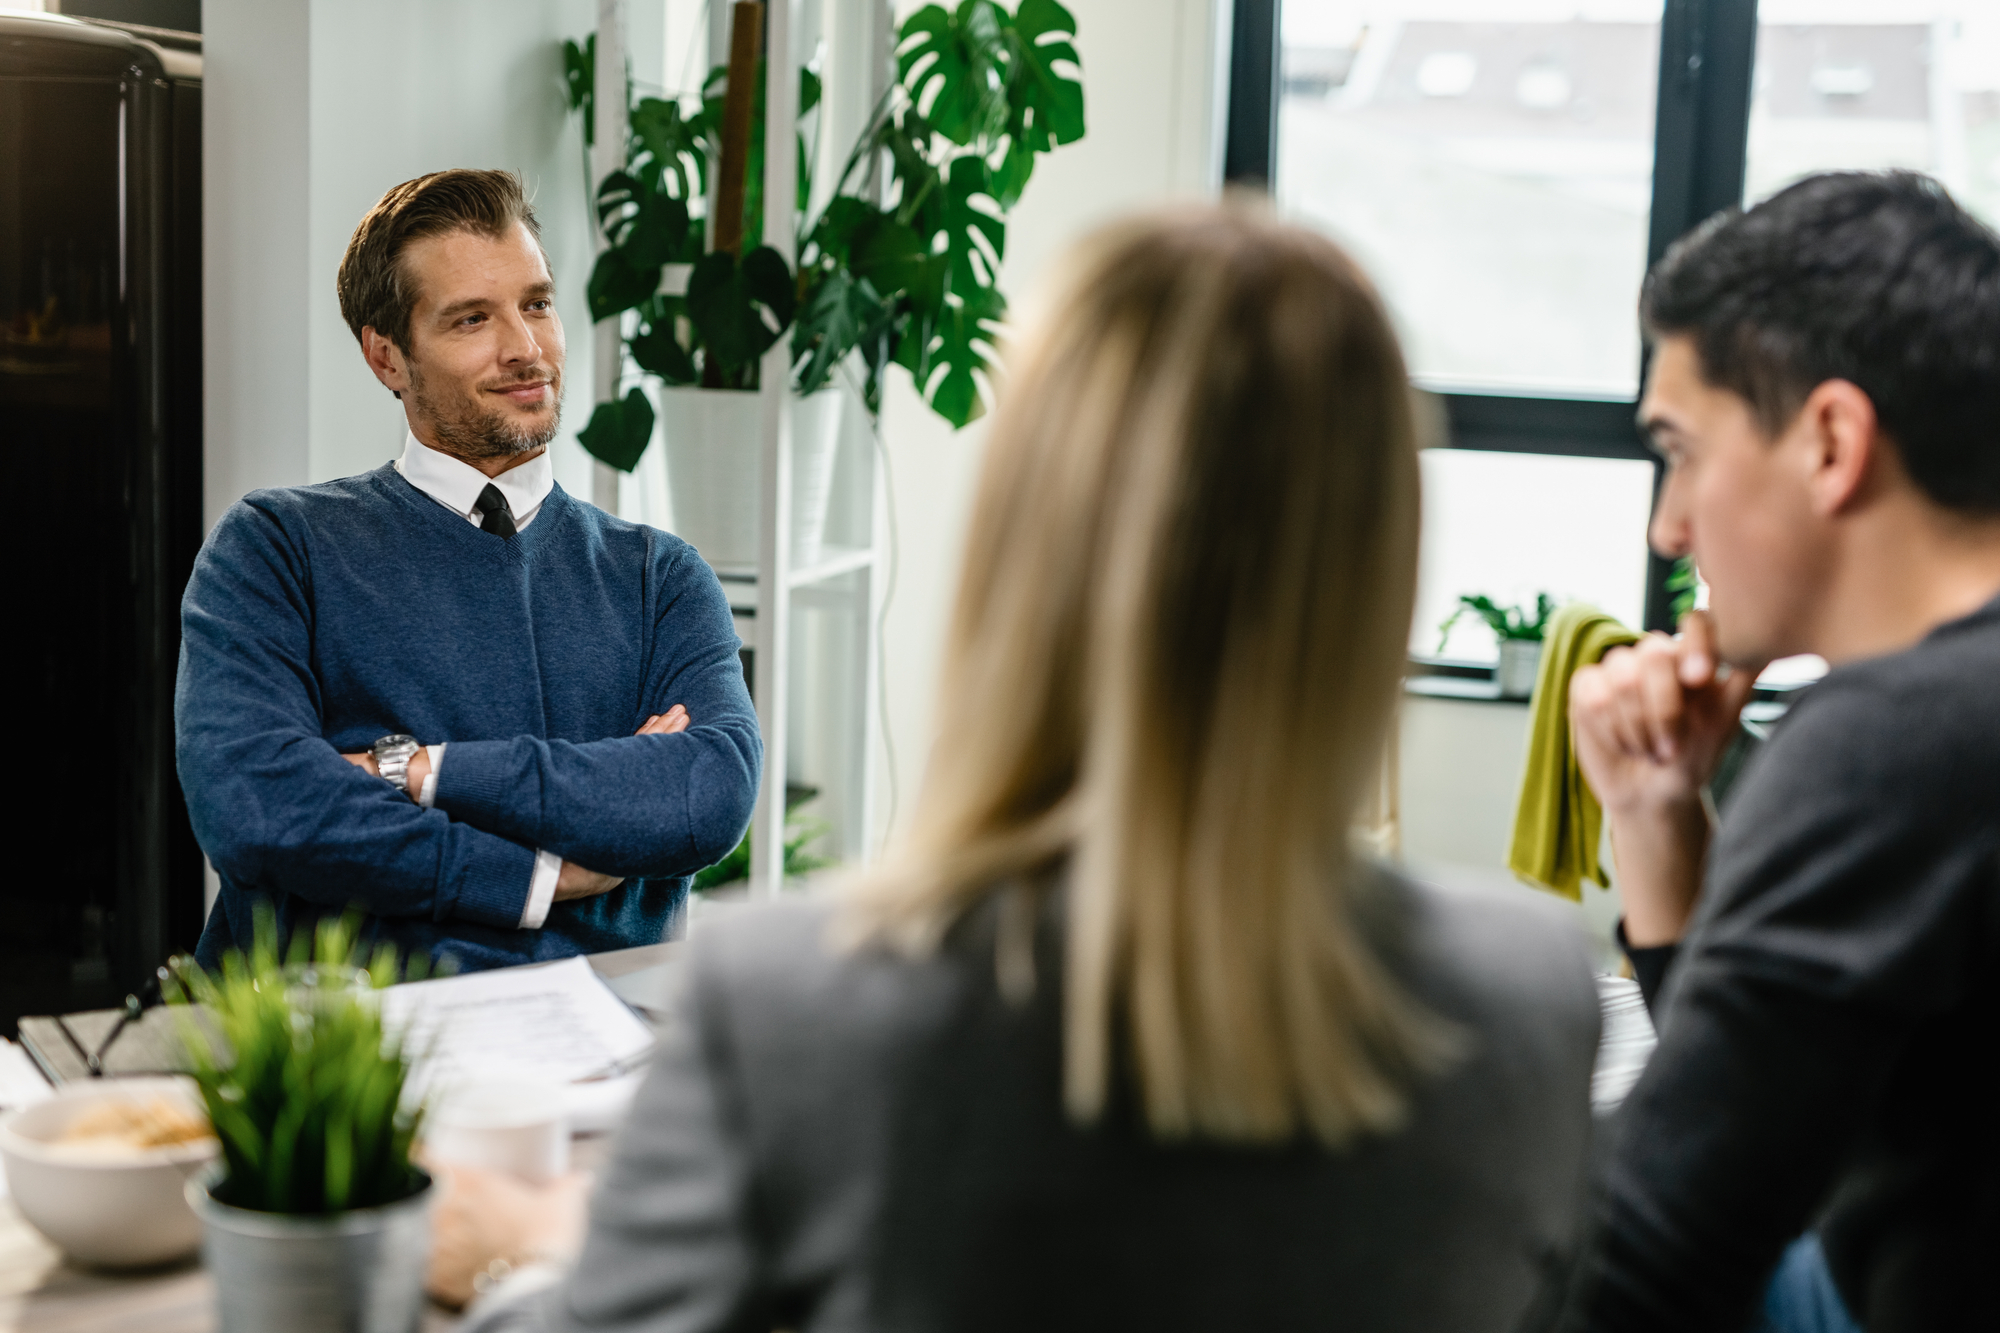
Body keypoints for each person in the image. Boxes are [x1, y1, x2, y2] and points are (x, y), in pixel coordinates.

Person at [431, 205, 1603, 1331]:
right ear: (1378, 557)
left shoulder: (791, 1012)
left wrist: (524, 1250)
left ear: (1020, 536)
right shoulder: (1530, 999)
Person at [1560, 172, 2000, 1331]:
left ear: (1829, 441)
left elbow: (1648, 1251)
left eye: (1681, 449)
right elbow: (1768, 1100)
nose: (1668, 523)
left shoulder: (1897, 735)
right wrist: (1661, 821)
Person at [176, 169, 760, 972]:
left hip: (604, 1049)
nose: (526, 348)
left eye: (538, 303)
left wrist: (413, 770)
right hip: (346, 1054)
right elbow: (258, 805)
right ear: (387, 356)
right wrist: (539, 875)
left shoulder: (661, 578)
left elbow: (707, 791)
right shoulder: (277, 547)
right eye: (472, 319)